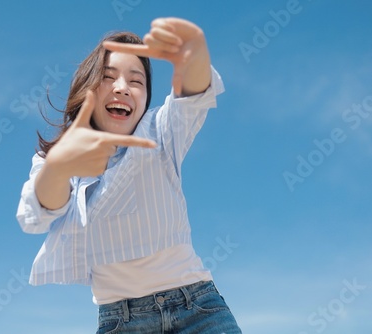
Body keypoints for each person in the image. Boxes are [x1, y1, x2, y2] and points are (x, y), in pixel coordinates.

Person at [16, 17, 242, 333]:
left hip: (197, 308)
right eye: (109, 77)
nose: (123, 87)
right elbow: (35, 217)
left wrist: (195, 54)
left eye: (136, 81)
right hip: (122, 322)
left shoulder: (160, 134)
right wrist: (60, 166)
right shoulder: (57, 158)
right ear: (87, 88)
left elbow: (191, 98)